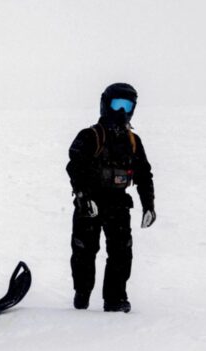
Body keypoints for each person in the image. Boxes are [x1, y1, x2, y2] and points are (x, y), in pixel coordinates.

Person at [66, 83, 155, 312]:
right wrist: (83, 196)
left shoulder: (133, 142)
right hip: (90, 204)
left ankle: (114, 300)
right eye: (117, 104)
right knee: (84, 251)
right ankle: (82, 294)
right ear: (106, 104)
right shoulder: (90, 136)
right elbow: (74, 166)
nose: (122, 111)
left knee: (121, 252)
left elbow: (144, 174)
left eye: (128, 105)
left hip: (118, 205)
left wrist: (149, 205)